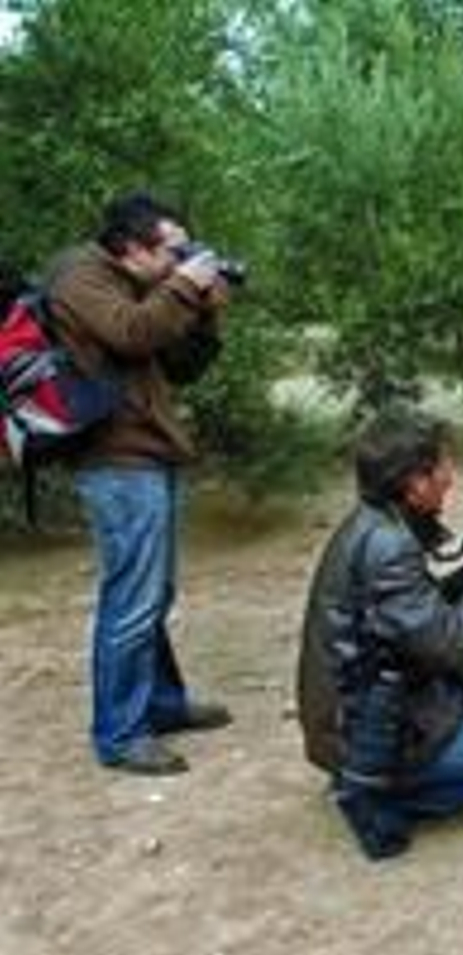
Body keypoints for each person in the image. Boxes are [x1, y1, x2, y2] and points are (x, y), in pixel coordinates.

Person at [296, 410, 463, 860]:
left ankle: (446, 757)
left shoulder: (375, 522)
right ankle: (379, 792)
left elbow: (420, 616)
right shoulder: (389, 546)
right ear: (415, 483)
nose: (451, 477)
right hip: (371, 737)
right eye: (442, 467)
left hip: (361, 714)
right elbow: (454, 649)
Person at [48, 191, 235, 774]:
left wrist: (206, 309)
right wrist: (185, 286)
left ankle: (160, 703)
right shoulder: (79, 277)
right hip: (114, 459)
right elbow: (131, 333)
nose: (186, 260)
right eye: (175, 251)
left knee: (153, 593)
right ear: (133, 249)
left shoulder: (143, 283)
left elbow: (179, 365)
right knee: (131, 599)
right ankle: (120, 734)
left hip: (146, 453)